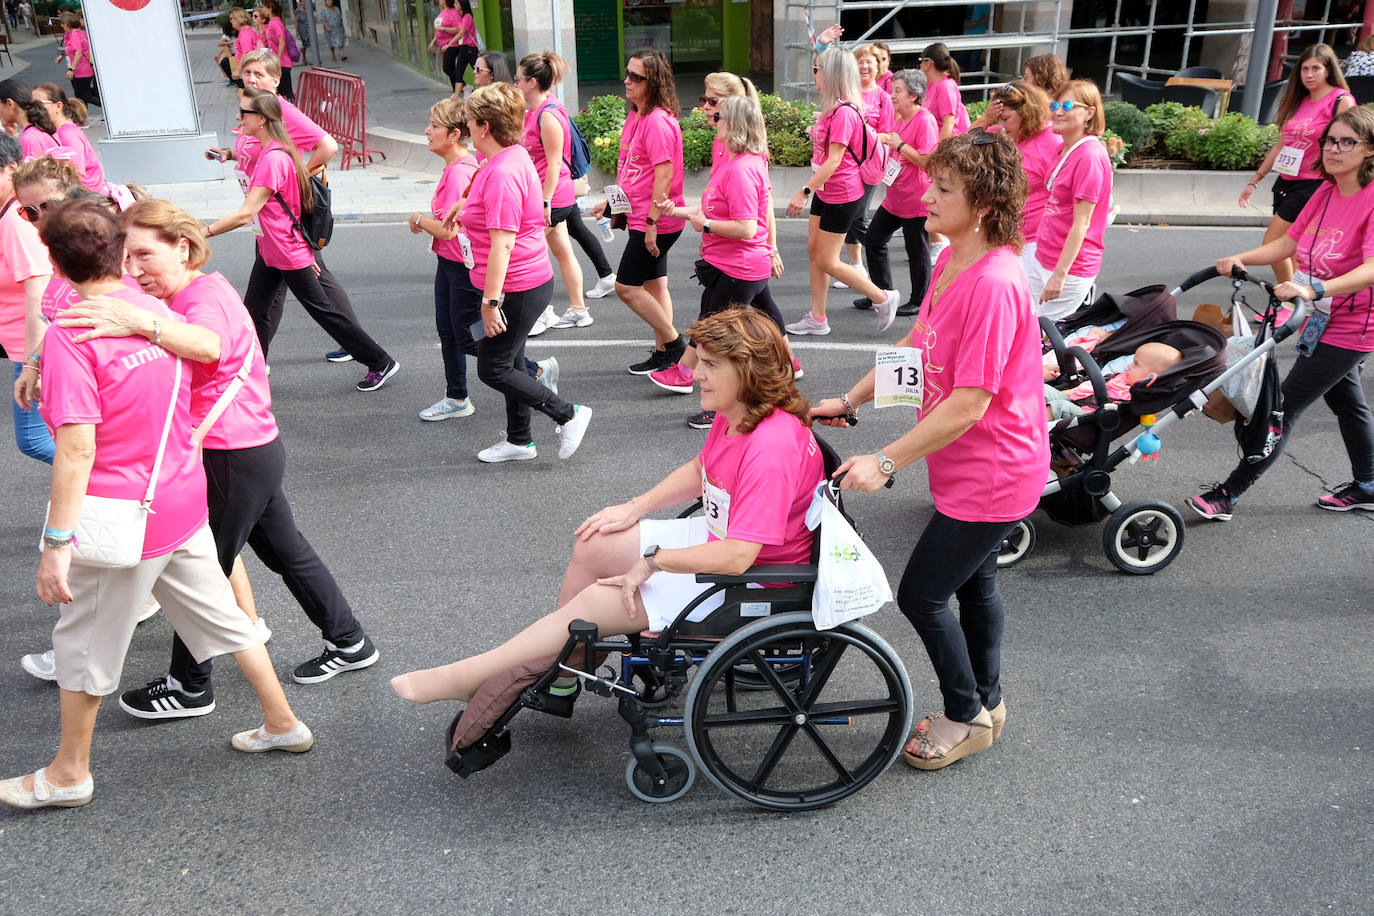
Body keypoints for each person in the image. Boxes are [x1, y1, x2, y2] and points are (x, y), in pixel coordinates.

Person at [0, 201, 314, 811]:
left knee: (83, 644)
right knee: (226, 618)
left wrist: (56, 546)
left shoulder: (76, 335)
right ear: (119, 249)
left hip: (121, 515)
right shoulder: (148, 311)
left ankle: (69, 774)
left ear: (55, 262)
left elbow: (76, 450)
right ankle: (281, 723)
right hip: (179, 496)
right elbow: (209, 347)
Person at [389, 307, 824, 705]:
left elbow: (737, 556)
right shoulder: (744, 413)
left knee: (601, 598)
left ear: (747, 372)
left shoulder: (771, 445)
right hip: (728, 543)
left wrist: (654, 563)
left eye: (711, 365)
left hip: (755, 581)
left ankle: (472, 676)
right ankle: (561, 677)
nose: (695, 373)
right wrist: (636, 507)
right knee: (597, 539)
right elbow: (701, 468)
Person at [51, 198, 381, 718]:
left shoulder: (201, 298)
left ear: (182, 247)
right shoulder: (199, 287)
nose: (134, 270)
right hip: (252, 448)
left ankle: (190, 686)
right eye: (126, 257)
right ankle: (350, 641)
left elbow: (207, 345)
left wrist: (140, 322)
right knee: (284, 552)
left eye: (144, 255)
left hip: (228, 452)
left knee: (202, 574)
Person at [811, 129, 1047, 771]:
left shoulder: (995, 282)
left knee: (922, 595)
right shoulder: (952, 259)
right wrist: (852, 399)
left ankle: (964, 714)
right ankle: (987, 705)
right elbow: (918, 346)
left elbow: (971, 402)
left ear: (987, 202)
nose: (927, 194)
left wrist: (885, 461)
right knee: (976, 585)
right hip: (967, 465)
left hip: (996, 471)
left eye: (945, 188)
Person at [1190, 107, 1374, 520]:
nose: (1334, 149)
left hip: (1354, 323)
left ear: (1369, 151)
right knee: (1348, 403)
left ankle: (1228, 494)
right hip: (1318, 316)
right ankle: (1369, 483)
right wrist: (1242, 257)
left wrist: (1313, 288)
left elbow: (1371, 268)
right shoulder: (1323, 194)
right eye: (1330, 140)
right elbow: (1286, 245)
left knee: (1283, 406)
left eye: (1347, 142)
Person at [204, 89, 400, 391]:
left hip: (284, 251)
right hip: (273, 249)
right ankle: (251, 371)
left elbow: (246, 214)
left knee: (324, 312)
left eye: (243, 113)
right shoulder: (277, 151)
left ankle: (380, 361)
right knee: (254, 310)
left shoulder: (273, 159)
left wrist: (201, 232)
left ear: (260, 119)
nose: (237, 117)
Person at [457, 83, 592, 462]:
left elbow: (502, 244)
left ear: (484, 126)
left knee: (494, 368)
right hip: (523, 281)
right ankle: (519, 441)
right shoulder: (509, 158)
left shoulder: (502, 171)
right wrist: (462, 208)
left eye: (469, 119)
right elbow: (487, 205)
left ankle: (568, 415)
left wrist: (490, 302)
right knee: (512, 361)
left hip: (514, 287)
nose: (466, 124)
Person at [208, 50, 367, 366]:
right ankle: (352, 344)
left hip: (284, 218)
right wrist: (229, 154)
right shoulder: (253, 112)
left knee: (297, 287)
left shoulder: (278, 108)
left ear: (276, 80)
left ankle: (359, 347)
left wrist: (298, 177)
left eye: (259, 74)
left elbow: (328, 145)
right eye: (248, 73)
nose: (252, 79)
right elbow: (255, 153)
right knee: (288, 287)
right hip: (265, 218)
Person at [648, 95, 790, 416]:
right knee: (721, 328)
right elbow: (712, 209)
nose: (714, 121)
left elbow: (746, 227)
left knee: (718, 343)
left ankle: (720, 404)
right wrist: (681, 212)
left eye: (719, 117)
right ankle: (778, 379)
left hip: (737, 267)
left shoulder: (740, 170)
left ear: (736, 125)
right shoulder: (742, 163)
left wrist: (707, 225)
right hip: (737, 266)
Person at [783, 47, 900, 337]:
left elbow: (834, 161)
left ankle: (883, 297)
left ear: (832, 74)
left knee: (826, 259)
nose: (814, 75)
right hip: (827, 189)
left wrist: (803, 192)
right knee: (814, 251)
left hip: (842, 193)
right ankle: (817, 318)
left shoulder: (845, 111)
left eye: (817, 70)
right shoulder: (832, 107)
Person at [588, 50, 689, 375]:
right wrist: (611, 201)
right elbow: (634, 169)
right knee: (656, 286)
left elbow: (664, 175)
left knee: (627, 286)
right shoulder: (637, 114)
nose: (627, 81)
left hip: (656, 219)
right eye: (627, 73)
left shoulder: (657, 121)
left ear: (654, 82)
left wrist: (651, 224)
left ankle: (674, 344)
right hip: (641, 214)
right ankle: (665, 353)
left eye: (636, 77)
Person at [1241, 43, 1355, 286]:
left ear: (1328, 70)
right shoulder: (1300, 100)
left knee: (1274, 243)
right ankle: (1299, 300)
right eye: (1305, 69)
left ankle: (1289, 300)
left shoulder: (1340, 100)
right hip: (1286, 181)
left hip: (1314, 184)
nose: (1310, 74)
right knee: (1293, 248)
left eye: (1316, 68)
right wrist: (1256, 179)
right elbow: (1281, 144)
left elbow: (1354, 142)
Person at [517, 51, 595, 333]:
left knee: (529, 254)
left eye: (518, 79)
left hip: (551, 197)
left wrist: (545, 200)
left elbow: (552, 163)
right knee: (562, 251)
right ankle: (579, 311)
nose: (516, 83)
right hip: (550, 195)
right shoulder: (540, 108)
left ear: (533, 82)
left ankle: (545, 312)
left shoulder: (548, 115)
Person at [1026, 79, 1113, 320]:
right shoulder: (1064, 148)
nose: (1058, 112)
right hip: (1044, 256)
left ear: (1089, 113)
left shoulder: (1089, 156)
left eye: (1068, 106)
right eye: (1055, 105)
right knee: (1026, 328)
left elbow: (1082, 224)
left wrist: (1060, 275)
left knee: (1043, 339)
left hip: (1070, 268)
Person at [857, 68, 937, 318]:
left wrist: (899, 145)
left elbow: (927, 161)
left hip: (917, 197)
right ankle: (882, 294)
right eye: (893, 90)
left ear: (914, 95)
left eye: (898, 91)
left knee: (918, 251)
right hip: (895, 196)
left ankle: (919, 300)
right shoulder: (901, 118)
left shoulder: (924, 120)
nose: (892, 95)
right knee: (873, 239)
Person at [0, 133, 53, 464]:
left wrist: (33, 364)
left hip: (34, 344)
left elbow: (40, 296)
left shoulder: (15, 222)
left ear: (10, 169)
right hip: (24, 342)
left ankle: (109, 485)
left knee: (34, 439)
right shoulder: (10, 213)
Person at [831, 44, 896, 292]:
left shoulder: (883, 98)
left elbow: (889, 135)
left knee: (856, 216)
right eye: (860, 62)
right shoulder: (846, 95)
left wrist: (860, 135)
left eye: (870, 63)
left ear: (878, 67)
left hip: (867, 164)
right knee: (850, 215)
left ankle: (874, 249)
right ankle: (857, 263)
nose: (865, 67)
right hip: (844, 164)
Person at [986, 81, 1061, 276]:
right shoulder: (1002, 135)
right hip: (1006, 234)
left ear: (1026, 113)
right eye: (998, 120)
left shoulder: (1053, 140)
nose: (1001, 126)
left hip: (1036, 240)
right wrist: (986, 119)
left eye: (1006, 118)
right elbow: (964, 145)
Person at [32, 82, 103, 192]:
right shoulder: (61, 131)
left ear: (58, 106)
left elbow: (76, 174)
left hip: (86, 197)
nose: (33, 110)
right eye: (31, 105)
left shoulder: (67, 134)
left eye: (39, 104)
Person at [0, 78, 58, 161]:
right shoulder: (38, 128)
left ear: (10, 103)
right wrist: (14, 135)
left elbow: (30, 173)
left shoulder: (30, 138)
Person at [430, 0, 477, 100]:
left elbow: (460, 32)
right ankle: (456, 95)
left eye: (457, 3)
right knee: (458, 72)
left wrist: (448, 43)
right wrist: (435, 40)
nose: (455, 5)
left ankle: (490, 87)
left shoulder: (466, 16)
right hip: (463, 47)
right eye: (454, 3)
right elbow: (440, 29)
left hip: (469, 47)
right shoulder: (461, 16)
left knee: (477, 69)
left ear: (462, 4)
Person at [56, 12, 99, 111]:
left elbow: (78, 53)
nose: (61, 26)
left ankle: (109, 107)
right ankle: (83, 118)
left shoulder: (75, 35)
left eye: (62, 23)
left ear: (67, 23)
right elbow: (72, 50)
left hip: (81, 71)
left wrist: (71, 69)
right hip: (85, 70)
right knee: (83, 95)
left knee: (84, 96)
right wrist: (62, 56)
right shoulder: (79, 32)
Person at [258, 1, 295, 102]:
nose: (262, 10)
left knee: (285, 93)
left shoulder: (275, 23)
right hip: (279, 63)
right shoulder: (272, 23)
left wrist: (277, 59)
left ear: (270, 8)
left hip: (282, 64)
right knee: (282, 93)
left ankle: (290, 114)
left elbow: (282, 42)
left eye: (263, 7)